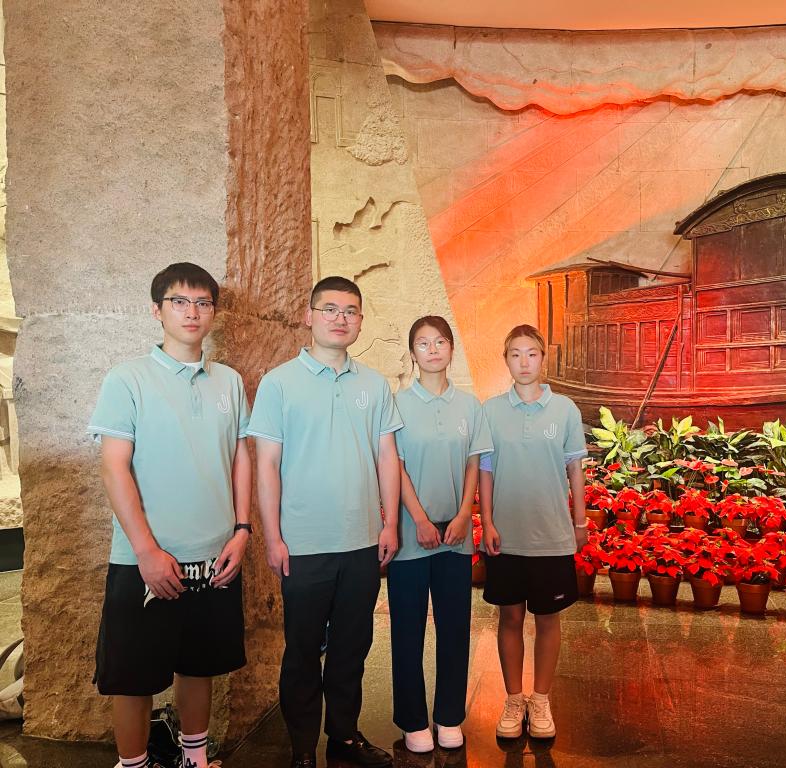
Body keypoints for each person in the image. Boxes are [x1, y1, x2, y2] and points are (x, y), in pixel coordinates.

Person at [88, 262, 252, 768]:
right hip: (145, 558)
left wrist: (242, 530)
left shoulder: (229, 382)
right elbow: (114, 468)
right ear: (157, 310)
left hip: (216, 554)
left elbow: (240, 457)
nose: (192, 312)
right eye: (179, 302)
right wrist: (147, 552)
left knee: (199, 664)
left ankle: (194, 759)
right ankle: (133, 764)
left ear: (213, 313)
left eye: (203, 303)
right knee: (133, 676)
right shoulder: (128, 378)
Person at [248, 276, 401, 768]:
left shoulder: (374, 385)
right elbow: (267, 465)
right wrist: (273, 537)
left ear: (360, 321)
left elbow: (387, 457)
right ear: (309, 316)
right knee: (301, 650)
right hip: (303, 543)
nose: (340, 318)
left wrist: (389, 524)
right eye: (330, 309)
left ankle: (344, 737)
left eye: (350, 311)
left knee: (353, 647)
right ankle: (301, 748)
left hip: (361, 541)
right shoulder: (279, 383)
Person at [388, 316, 492, 753]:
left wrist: (466, 514)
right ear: (412, 353)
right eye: (423, 343)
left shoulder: (469, 406)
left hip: (456, 535)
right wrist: (419, 519)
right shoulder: (396, 404)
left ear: (452, 349)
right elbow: (394, 466)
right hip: (411, 536)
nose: (432, 350)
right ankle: (413, 721)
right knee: (406, 631)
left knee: (455, 628)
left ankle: (449, 716)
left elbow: (473, 463)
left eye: (440, 342)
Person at [479, 324, 588, 740]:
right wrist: (487, 522)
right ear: (505, 360)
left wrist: (580, 522)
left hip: (551, 535)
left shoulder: (565, 409)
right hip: (506, 536)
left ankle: (540, 700)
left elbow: (575, 470)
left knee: (547, 618)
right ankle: (513, 699)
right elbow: (485, 472)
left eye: (532, 354)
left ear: (544, 358)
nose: (524, 362)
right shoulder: (491, 411)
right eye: (515, 354)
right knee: (509, 617)